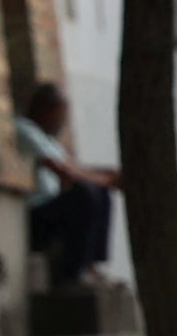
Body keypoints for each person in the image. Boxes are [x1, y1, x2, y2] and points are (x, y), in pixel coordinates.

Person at [17, 83, 119, 289]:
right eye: (59, 114)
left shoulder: (49, 140)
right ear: (44, 110)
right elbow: (65, 172)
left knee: (100, 193)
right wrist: (107, 178)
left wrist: (109, 176)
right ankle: (74, 273)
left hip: (52, 210)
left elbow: (76, 168)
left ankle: (91, 265)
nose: (62, 121)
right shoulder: (24, 130)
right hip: (35, 217)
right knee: (83, 193)